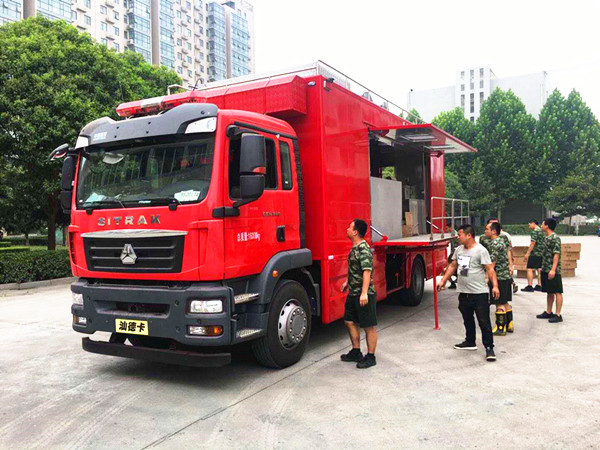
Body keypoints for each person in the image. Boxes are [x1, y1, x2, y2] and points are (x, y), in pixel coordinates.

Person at [437, 224, 499, 362]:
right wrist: (443, 281)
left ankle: (489, 347)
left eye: (460, 235)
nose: (457, 237)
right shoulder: (459, 250)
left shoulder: (480, 250)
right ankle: (470, 341)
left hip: (479, 293)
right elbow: (453, 266)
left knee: (483, 321)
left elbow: (490, 269)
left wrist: (495, 286)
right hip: (464, 292)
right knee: (467, 318)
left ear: (469, 235)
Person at [340, 219, 378, 368]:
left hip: (364, 294)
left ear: (355, 232)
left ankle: (371, 356)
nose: (347, 229)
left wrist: (364, 293)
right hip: (353, 292)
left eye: (350, 227)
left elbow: (366, 271)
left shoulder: (364, 249)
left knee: (368, 326)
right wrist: (347, 282)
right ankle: (356, 351)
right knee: (349, 321)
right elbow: (353, 268)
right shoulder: (354, 248)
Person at [486, 222, 513, 335]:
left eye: (487, 229)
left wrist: (488, 278)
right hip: (505, 276)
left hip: (499, 277)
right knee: (505, 302)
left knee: (499, 303)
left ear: (494, 231)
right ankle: (509, 324)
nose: (485, 231)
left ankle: (500, 328)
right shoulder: (501, 241)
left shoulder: (494, 244)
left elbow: (491, 264)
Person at [536, 218, 564, 323]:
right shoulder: (546, 238)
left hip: (553, 269)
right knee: (549, 291)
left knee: (557, 291)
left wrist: (553, 269)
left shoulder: (555, 238)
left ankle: (558, 314)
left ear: (547, 226)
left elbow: (556, 254)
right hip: (545, 268)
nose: (541, 226)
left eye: (543, 224)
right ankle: (549, 311)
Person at [479, 218, 517, 292]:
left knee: (499, 297)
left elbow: (508, 250)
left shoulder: (500, 239)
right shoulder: (483, 238)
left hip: (498, 274)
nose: (485, 231)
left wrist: (511, 264)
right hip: (496, 272)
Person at [522, 219, 543, 292]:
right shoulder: (542, 231)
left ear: (533, 223)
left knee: (529, 268)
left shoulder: (535, 231)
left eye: (529, 225)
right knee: (539, 269)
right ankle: (540, 285)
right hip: (541, 252)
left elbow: (533, 243)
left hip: (535, 253)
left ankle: (530, 285)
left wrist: (527, 253)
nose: (529, 226)